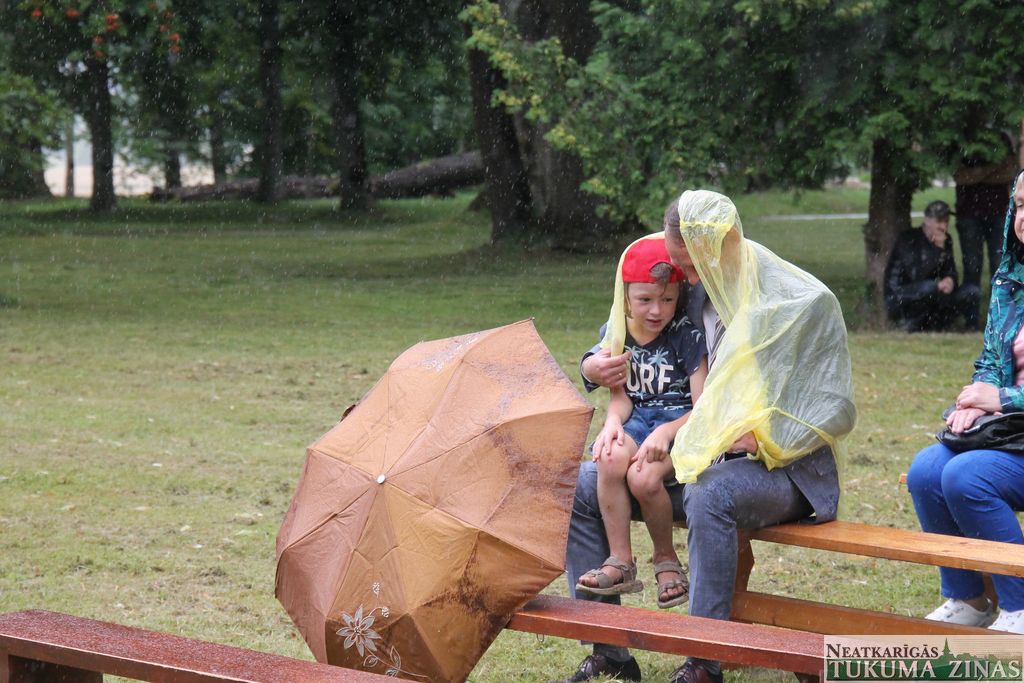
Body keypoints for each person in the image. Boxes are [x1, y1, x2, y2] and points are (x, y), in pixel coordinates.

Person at [554, 190, 856, 683]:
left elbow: (835, 408)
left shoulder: (802, 303)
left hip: (783, 471)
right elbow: (628, 323)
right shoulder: (686, 289)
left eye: (693, 266)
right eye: (680, 266)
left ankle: (703, 660)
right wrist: (593, 365)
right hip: (693, 461)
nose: (687, 279)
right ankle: (609, 651)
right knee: (585, 484)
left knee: (709, 494)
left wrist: (763, 434)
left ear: (725, 244)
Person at [906, 168, 1024, 634]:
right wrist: (977, 401)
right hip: (1011, 433)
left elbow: (1002, 392)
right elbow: (991, 358)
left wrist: (1003, 399)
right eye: (1021, 205)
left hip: (1014, 425)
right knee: (926, 471)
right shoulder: (1011, 279)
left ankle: (1019, 605)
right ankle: (969, 598)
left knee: (966, 476)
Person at [575, 237, 708, 611]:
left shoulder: (686, 335)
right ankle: (621, 561)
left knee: (643, 477)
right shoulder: (616, 333)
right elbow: (621, 398)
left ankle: (666, 561)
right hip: (637, 422)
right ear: (625, 296)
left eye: (667, 299)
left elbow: (703, 408)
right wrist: (611, 424)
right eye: (645, 299)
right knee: (609, 457)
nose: (656, 310)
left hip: (680, 426)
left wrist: (665, 433)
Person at [884, 199, 977, 332]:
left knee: (971, 291)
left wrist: (950, 281)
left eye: (946, 221)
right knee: (930, 287)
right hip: (901, 295)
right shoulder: (908, 239)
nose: (943, 226)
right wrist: (937, 250)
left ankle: (945, 325)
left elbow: (950, 271)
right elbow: (917, 276)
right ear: (927, 220)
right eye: (939, 221)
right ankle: (909, 324)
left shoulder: (946, 240)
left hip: (932, 292)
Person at [954, 151, 1018, 330]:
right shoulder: (964, 144)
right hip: (969, 215)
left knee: (1000, 267)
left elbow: (1011, 172)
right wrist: (993, 170)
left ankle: (998, 322)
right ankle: (971, 322)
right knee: (971, 266)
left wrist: (976, 174)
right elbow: (960, 176)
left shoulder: (1001, 142)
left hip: (998, 215)